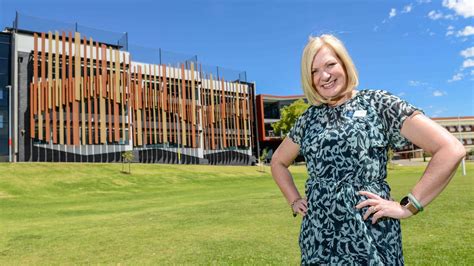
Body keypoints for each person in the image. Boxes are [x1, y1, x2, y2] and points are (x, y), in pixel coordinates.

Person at [271, 34, 466, 265]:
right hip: (318, 237)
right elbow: (278, 162)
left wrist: (409, 206)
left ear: (344, 63)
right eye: (314, 71)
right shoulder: (308, 119)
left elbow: (450, 148)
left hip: (370, 232)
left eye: (330, 64)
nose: (324, 76)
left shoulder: (377, 103)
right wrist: (294, 200)